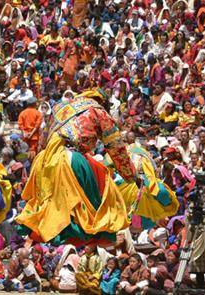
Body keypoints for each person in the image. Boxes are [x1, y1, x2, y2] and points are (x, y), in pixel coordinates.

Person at [16, 90, 138, 245]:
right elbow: (116, 147)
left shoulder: (60, 107)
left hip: (44, 160)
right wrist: (130, 175)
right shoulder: (98, 110)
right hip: (72, 159)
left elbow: (43, 140)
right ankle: (95, 232)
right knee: (103, 191)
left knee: (49, 206)